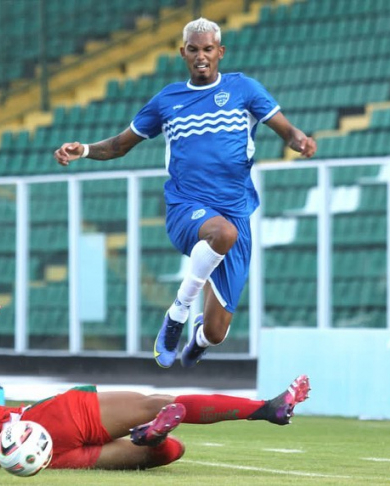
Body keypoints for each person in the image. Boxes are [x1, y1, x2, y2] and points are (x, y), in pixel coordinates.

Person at [53, 18, 317, 369]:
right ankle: (176, 313)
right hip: (186, 208)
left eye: (208, 49)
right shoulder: (168, 100)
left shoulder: (245, 89)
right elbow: (119, 145)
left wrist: (298, 139)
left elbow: (285, 129)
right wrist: (83, 149)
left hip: (236, 210)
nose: (201, 56)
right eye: (193, 49)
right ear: (183, 53)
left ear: (220, 52)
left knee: (218, 330)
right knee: (222, 232)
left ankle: (199, 338)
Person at [0, 289, 310, 469]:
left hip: (47, 460)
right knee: (159, 404)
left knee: (171, 452)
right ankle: (267, 409)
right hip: (45, 422)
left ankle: (149, 436)